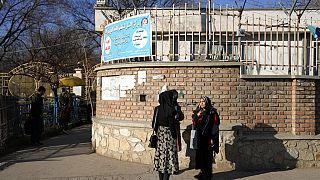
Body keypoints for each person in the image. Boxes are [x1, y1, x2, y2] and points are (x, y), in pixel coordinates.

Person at [152, 91, 180, 180]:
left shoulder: (157, 109)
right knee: (168, 161)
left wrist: (159, 132)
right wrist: (174, 137)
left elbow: (154, 124)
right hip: (169, 138)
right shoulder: (171, 110)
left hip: (160, 136)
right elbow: (172, 125)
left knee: (161, 160)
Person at [192, 96, 220, 179]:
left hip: (208, 137)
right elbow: (194, 122)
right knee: (200, 155)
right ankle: (202, 172)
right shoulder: (198, 111)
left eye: (203, 101)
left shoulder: (212, 112)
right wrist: (197, 115)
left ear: (207, 102)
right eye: (200, 101)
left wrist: (212, 138)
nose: (201, 103)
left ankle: (208, 174)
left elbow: (215, 125)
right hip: (200, 136)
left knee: (207, 156)